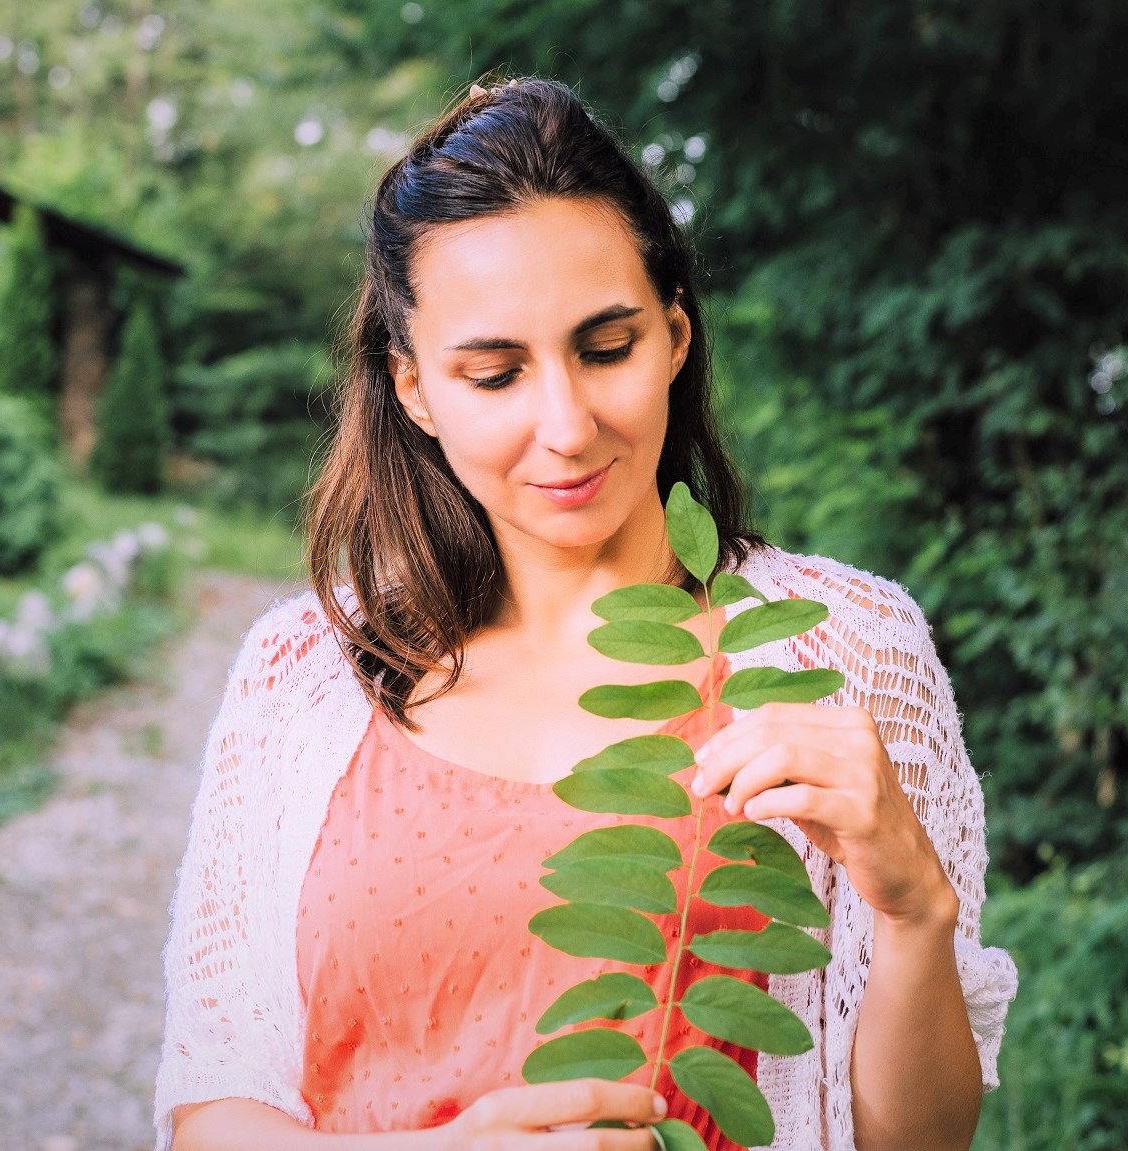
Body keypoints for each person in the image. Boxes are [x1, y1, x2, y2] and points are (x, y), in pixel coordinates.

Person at [153, 75, 1017, 1151]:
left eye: (606, 348)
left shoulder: (845, 648)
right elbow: (210, 1109)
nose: (564, 425)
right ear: (413, 385)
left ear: (675, 336)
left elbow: (919, 1142)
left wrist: (914, 907)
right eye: (495, 372)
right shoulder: (306, 669)